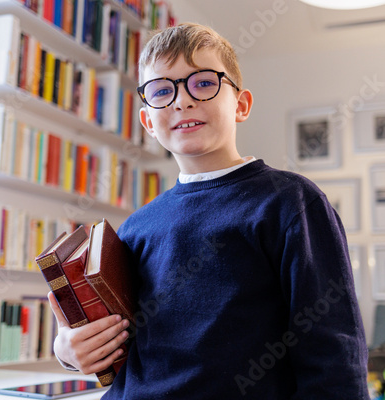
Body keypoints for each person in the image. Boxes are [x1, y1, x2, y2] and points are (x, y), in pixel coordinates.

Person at [48, 23, 369, 399]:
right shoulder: (136, 228)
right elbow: (119, 350)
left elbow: (334, 353)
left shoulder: (290, 203)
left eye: (203, 83)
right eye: (162, 91)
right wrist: (67, 351)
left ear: (241, 104)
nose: (182, 101)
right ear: (149, 121)